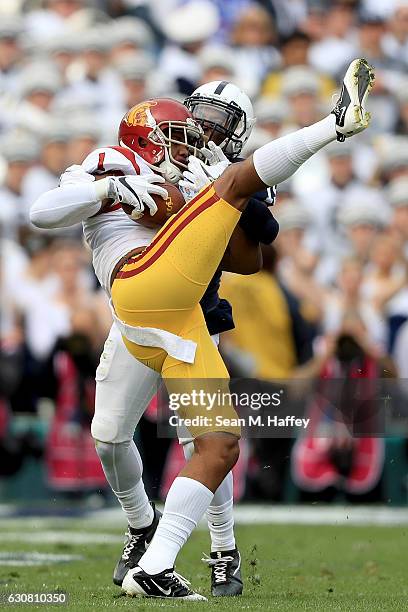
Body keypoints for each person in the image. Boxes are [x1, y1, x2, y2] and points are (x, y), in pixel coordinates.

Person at [31, 58, 374, 600]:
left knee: (207, 440)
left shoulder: (229, 171)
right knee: (109, 435)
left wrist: (217, 190)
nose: (203, 130)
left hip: (193, 315)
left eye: (219, 120)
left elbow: (256, 248)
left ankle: (220, 549)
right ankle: (143, 529)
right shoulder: (120, 159)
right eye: (198, 117)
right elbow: (45, 211)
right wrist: (112, 191)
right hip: (137, 310)